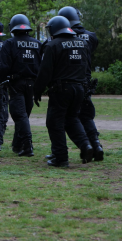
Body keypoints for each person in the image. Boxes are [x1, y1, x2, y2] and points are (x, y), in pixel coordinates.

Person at [33, 16, 94, 167]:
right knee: (72, 119)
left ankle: (60, 157)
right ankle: (86, 146)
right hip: (79, 88)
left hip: (61, 89)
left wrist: (37, 91)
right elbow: (87, 67)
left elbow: (44, 72)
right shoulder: (83, 44)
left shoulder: (52, 45)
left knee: (54, 122)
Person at [58, 6, 103, 161]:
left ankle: (81, 147)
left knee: (65, 118)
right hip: (86, 83)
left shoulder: (64, 37)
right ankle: (96, 146)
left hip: (69, 83)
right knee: (86, 116)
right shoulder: (91, 37)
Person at [0, 14, 42, 156]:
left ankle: (28, 146)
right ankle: (17, 145)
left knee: (19, 115)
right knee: (24, 115)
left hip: (16, 84)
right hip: (32, 84)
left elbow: (4, 66)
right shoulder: (38, 43)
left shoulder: (9, 43)